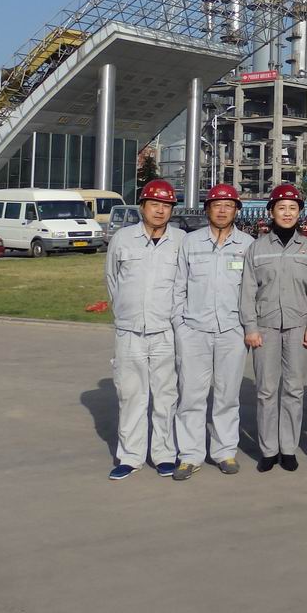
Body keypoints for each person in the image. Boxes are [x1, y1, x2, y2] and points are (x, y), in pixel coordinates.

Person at [170, 182, 253, 480]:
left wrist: (246, 327)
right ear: (207, 210)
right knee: (191, 395)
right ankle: (189, 455)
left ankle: (224, 451)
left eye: (228, 205)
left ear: (236, 210)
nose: (222, 210)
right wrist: (180, 326)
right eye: (217, 205)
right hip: (194, 330)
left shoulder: (247, 245)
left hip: (232, 331)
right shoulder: (191, 242)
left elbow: (252, 291)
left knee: (227, 395)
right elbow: (179, 287)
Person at [105, 179, 185, 481]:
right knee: (130, 395)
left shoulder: (181, 241)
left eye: (166, 206)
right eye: (155, 204)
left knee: (166, 397)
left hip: (165, 332)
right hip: (129, 332)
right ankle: (130, 456)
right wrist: (125, 313)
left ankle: (164, 455)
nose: (160, 211)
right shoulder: (123, 239)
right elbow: (112, 280)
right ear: (142, 207)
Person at [239, 183, 307, 472]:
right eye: (281, 208)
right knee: (266, 390)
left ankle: (288, 448)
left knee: (294, 389)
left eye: (292, 208)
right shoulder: (257, 248)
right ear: (271, 211)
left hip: (298, 326)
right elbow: (248, 291)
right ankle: (269, 449)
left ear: (299, 212)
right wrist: (251, 327)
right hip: (265, 327)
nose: (287, 213)